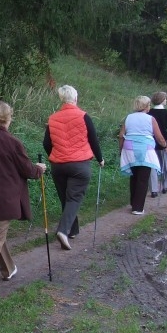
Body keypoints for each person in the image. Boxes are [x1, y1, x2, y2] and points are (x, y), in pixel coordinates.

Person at [0, 101, 46, 299]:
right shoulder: (12, 142)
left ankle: (9, 268)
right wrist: (39, 169)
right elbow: (27, 170)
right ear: (7, 118)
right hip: (4, 200)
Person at [43, 85, 104, 250]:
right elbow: (93, 139)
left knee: (66, 198)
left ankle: (72, 230)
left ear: (61, 99)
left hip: (58, 165)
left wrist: (55, 155)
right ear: (75, 99)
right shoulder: (83, 116)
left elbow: (46, 143)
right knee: (74, 198)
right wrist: (100, 158)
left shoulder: (53, 118)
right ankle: (63, 231)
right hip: (79, 164)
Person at [119, 95, 167, 215]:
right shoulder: (150, 119)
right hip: (145, 149)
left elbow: (121, 135)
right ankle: (138, 207)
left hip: (129, 149)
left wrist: (121, 149)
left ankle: (133, 202)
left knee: (134, 176)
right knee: (143, 178)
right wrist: (165, 145)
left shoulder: (128, 117)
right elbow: (159, 136)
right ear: (146, 106)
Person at [148, 91, 167, 196]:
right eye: (165, 98)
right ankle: (165, 186)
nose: (166, 100)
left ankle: (153, 189)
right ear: (162, 100)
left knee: (152, 166)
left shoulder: (149, 113)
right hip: (165, 144)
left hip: (150, 144)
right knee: (165, 165)